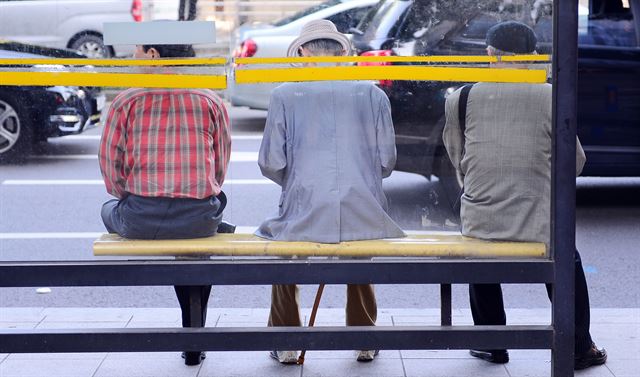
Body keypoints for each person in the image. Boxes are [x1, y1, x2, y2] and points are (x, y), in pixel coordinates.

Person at [442, 21, 606, 370]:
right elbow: (575, 163)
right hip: (538, 222)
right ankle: (579, 345)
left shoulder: (462, 97)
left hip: (481, 221)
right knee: (567, 256)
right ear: (533, 57)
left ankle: (491, 342)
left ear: (490, 55)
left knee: (478, 247)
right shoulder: (552, 95)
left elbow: (458, 159)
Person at [255, 20, 405, 364]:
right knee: (360, 252)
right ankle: (364, 337)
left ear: (304, 52)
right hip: (361, 205)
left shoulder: (284, 94)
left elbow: (270, 161)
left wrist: (300, 184)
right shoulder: (372, 93)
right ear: (341, 52)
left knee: (285, 256)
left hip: (303, 208)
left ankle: (287, 342)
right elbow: (387, 160)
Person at [98, 43, 232, 366]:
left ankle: (192, 334)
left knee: (107, 210)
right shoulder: (210, 99)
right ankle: (193, 333)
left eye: (137, 52)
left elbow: (109, 165)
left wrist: (130, 196)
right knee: (201, 235)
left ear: (154, 54)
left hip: (139, 217)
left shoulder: (125, 102)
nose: (133, 59)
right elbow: (220, 166)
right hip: (199, 217)